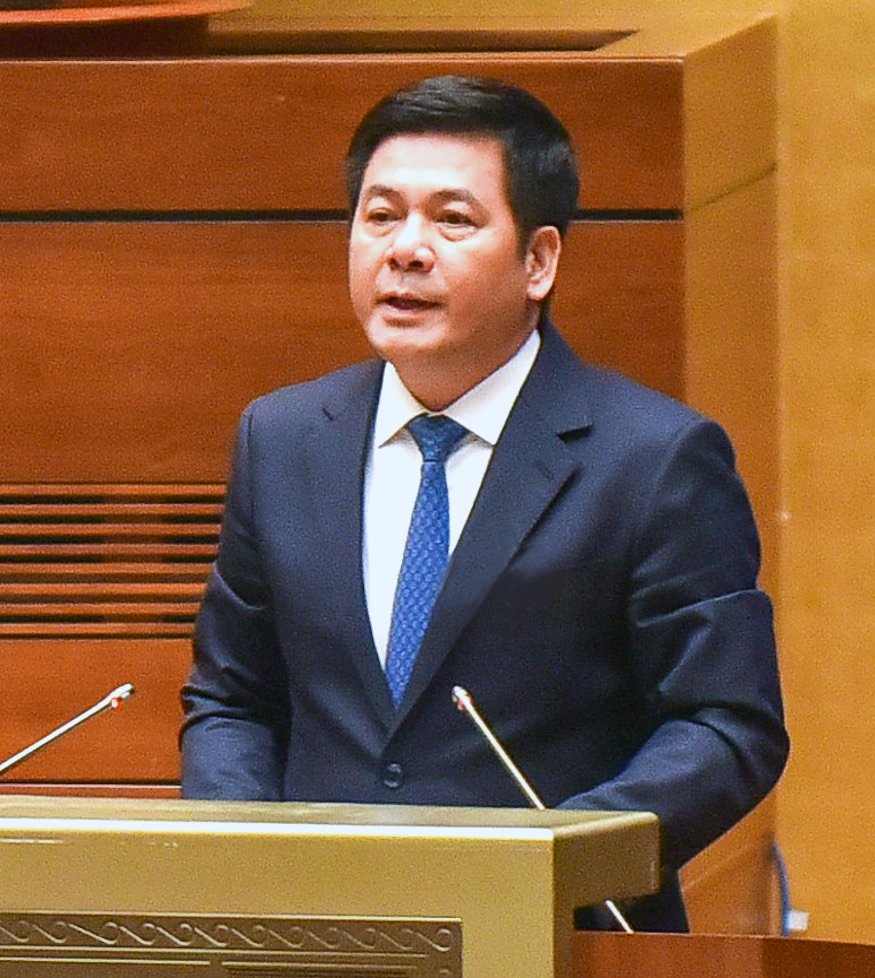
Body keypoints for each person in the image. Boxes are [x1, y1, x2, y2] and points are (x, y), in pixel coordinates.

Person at [179, 75, 787, 932]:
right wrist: (247, 861)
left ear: (538, 261)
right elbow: (233, 700)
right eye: (380, 216)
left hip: (560, 944)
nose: (405, 249)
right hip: (317, 943)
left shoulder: (652, 459)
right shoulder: (281, 439)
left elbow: (726, 725)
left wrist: (550, 859)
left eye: (452, 220)